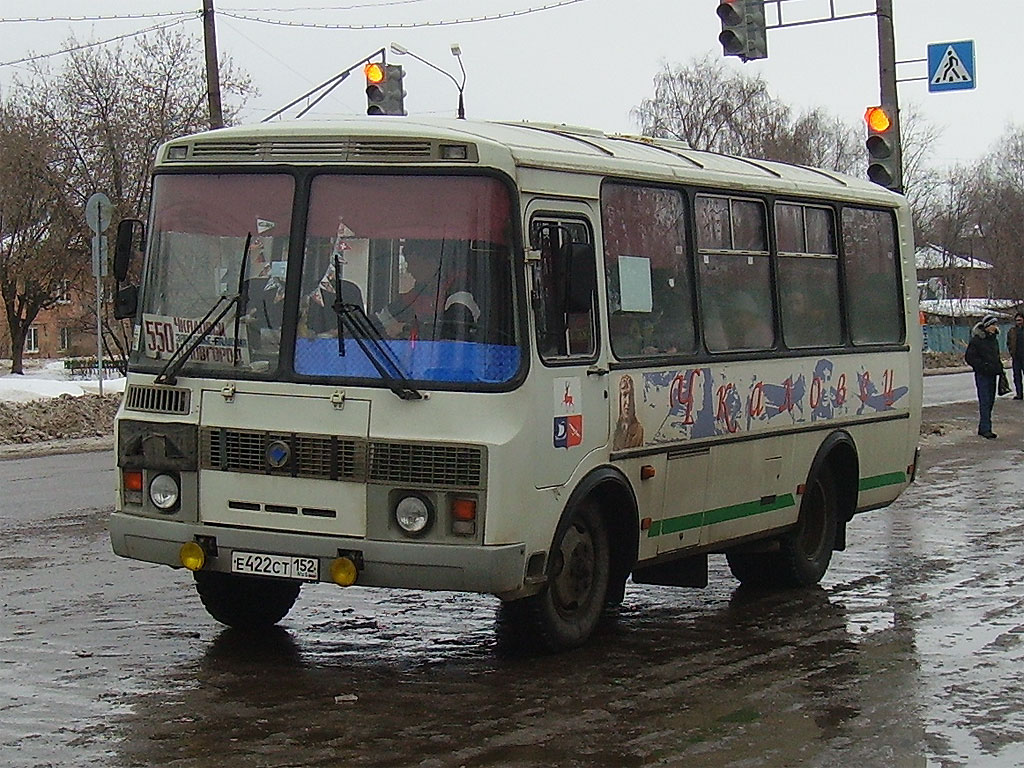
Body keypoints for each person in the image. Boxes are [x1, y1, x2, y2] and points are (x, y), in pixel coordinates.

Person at [376, 239, 480, 340]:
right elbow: (381, 319)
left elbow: (453, 330)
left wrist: (405, 329)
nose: (409, 269)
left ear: (432, 261)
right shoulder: (418, 293)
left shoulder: (461, 289)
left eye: (412, 263)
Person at [965, 314, 1003, 439]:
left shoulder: (993, 339)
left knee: (990, 401)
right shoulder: (977, 340)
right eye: (993, 324)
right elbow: (970, 357)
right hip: (982, 375)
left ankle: (983, 427)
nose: (995, 327)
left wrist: (999, 368)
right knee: (985, 401)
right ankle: (986, 429)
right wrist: (983, 366)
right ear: (987, 326)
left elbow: (995, 356)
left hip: (992, 374)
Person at [1006, 312, 1024, 400]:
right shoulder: (1012, 331)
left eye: (1020, 320)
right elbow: (1009, 342)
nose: (1018, 322)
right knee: (1017, 377)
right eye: (1017, 320)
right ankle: (1019, 394)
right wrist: (1011, 352)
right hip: (1016, 358)